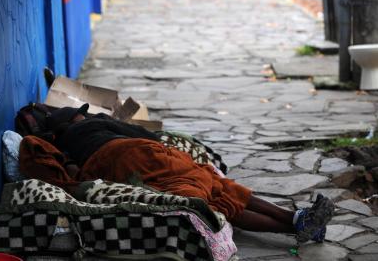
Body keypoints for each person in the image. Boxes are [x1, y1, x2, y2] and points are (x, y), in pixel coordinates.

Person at [22, 103, 335, 244]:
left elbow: (73, 173)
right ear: (76, 117)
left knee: (215, 193)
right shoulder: (93, 124)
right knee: (217, 187)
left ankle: (297, 223)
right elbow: (149, 136)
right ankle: (295, 222)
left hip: (119, 166)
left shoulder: (62, 144)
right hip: (136, 154)